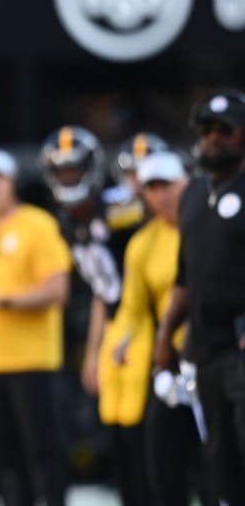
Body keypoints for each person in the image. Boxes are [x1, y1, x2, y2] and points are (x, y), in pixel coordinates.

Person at [38, 125, 148, 506]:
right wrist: (93, 352)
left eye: (75, 170)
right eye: (62, 171)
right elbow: (103, 290)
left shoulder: (122, 208)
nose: (69, 178)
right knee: (118, 434)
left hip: (147, 323)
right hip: (117, 328)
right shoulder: (67, 222)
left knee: (146, 433)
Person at [0, 148, 72, 506]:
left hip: (32, 360)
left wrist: (1, 301)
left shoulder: (36, 224)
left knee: (43, 453)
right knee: (2, 458)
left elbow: (58, 290)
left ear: (12, 182)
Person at [155, 89, 245, 503]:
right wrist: (165, 336)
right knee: (217, 456)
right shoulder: (191, 194)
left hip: (241, 346)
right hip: (206, 348)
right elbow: (185, 274)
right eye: (206, 129)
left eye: (224, 130)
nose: (213, 137)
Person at [113, 151, 214, 506]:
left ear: (186, 182)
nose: (160, 196)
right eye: (152, 188)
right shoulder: (143, 243)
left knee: (216, 458)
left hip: (215, 350)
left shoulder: (209, 222)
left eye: (166, 185)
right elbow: (133, 306)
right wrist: (123, 340)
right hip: (172, 357)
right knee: (162, 452)